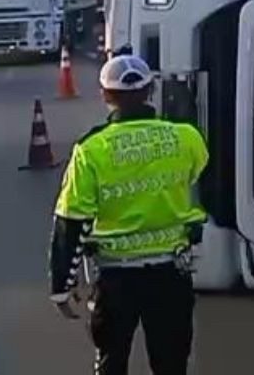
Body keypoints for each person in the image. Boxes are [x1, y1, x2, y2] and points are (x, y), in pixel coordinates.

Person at [48, 54, 209, 375]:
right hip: (170, 274)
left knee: (111, 362)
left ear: (106, 95)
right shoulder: (186, 137)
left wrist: (62, 286)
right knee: (172, 365)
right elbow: (196, 174)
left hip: (116, 279)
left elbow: (71, 221)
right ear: (150, 90)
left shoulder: (91, 150)